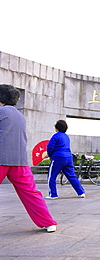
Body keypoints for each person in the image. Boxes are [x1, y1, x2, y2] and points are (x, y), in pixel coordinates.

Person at [0, 84, 57, 232]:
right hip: (19, 161)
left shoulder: (1, 111)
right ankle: (48, 222)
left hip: (1, 159)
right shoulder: (20, 116)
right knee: (31, 193)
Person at [45, 120, 85, 199]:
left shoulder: (56, 136)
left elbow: (50, 147)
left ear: (57, 128)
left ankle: (53, 194)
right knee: (72, 176)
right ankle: (81, 192)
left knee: (51, 176)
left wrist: (50, 155)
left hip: (58, 157)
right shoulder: (66, 137)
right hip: (68, 157)